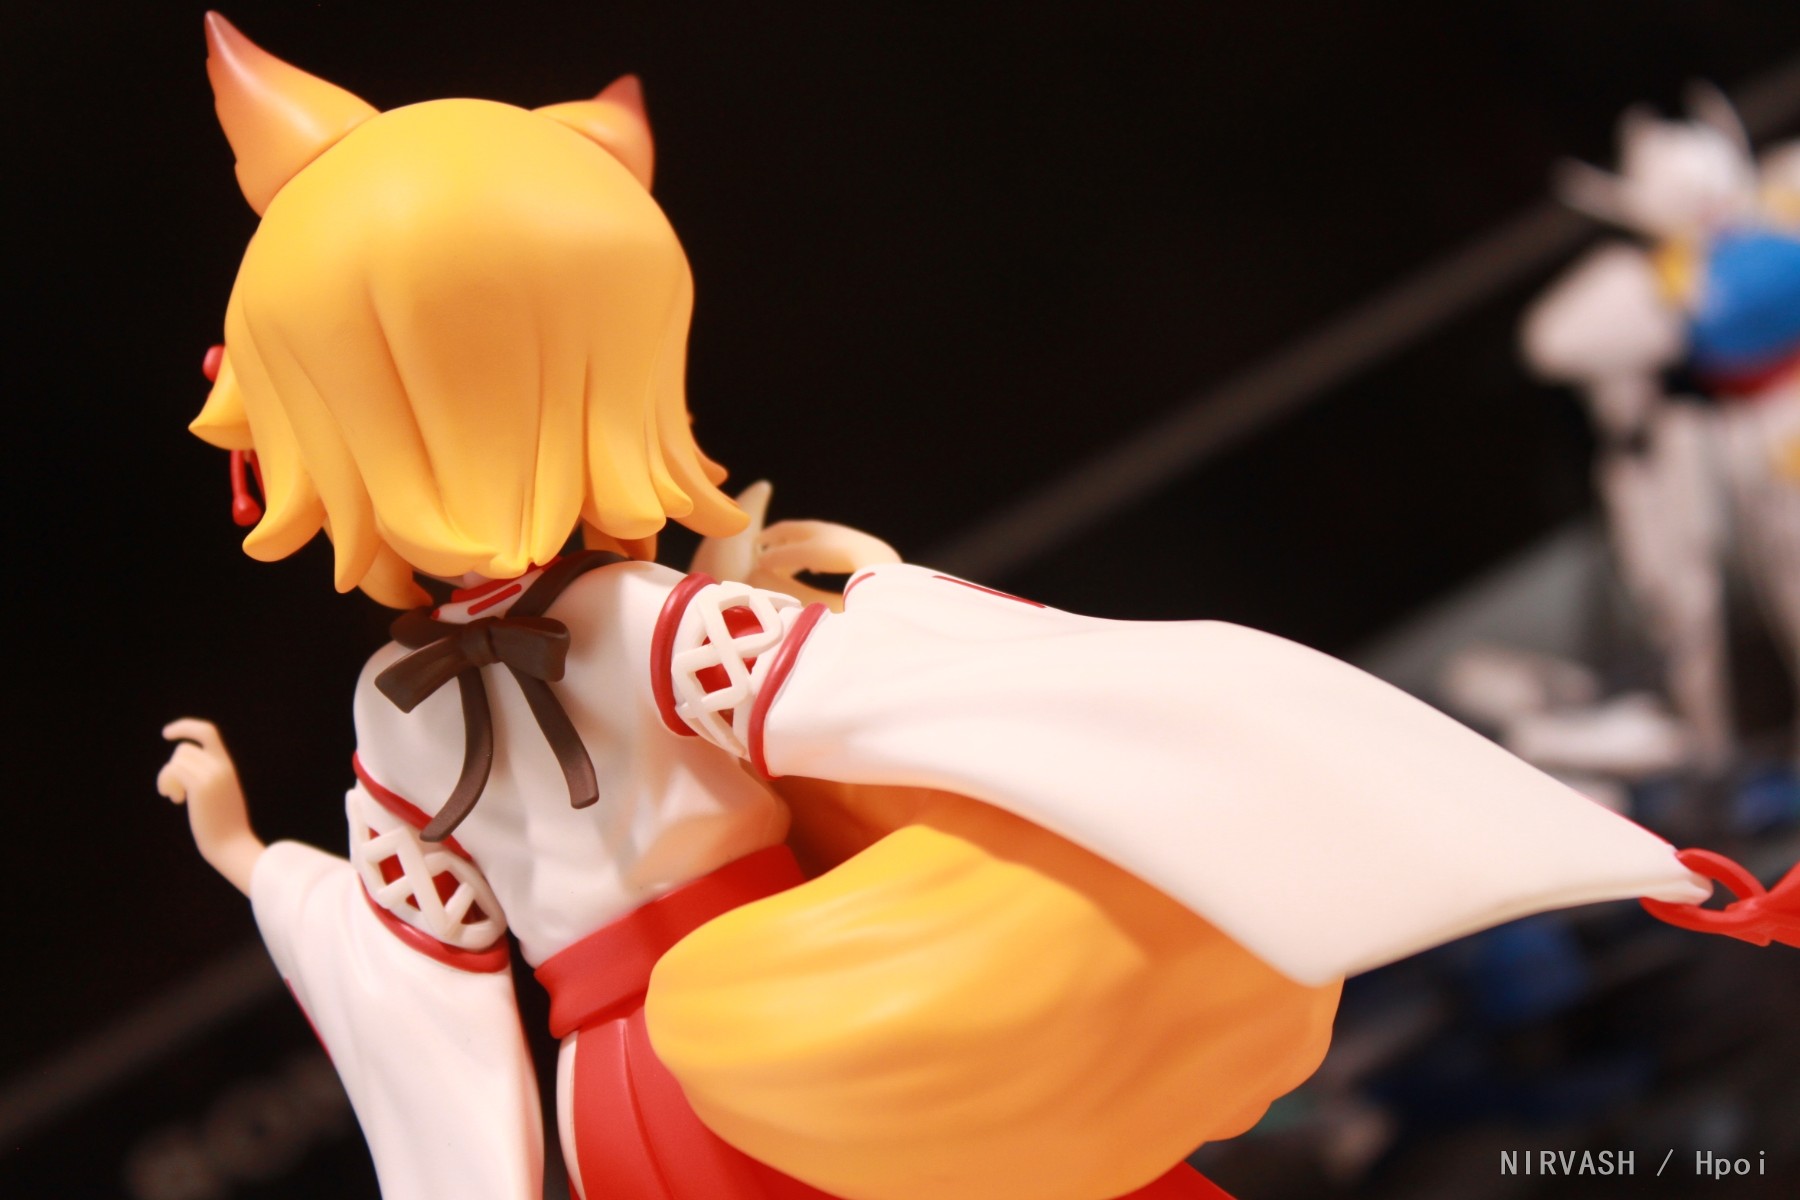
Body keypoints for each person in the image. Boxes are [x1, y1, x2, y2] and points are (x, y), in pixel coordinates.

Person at [162, 16, 1779, 1200]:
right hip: (791, 1055)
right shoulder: (640, 628)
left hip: (686, 1089)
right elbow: (967, 713)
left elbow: (427, 964)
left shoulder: (498, 674)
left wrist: (259, 865)